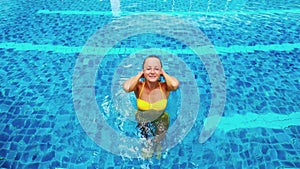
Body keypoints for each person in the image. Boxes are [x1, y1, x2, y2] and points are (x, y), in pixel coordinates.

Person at [123, 55, 179, 159]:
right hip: (142, 117)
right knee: (146, 143)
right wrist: (140, 75)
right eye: (148, 69)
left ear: (161, 71)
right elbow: (126, 87)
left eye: (156, 69)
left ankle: (157, 144)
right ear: (143, 71)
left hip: (161, 118)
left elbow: (175, 85)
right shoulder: (139, 86)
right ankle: (147, 144)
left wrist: (164, 73)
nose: (152, 72)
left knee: (158, 142)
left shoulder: (165, 87)